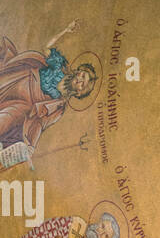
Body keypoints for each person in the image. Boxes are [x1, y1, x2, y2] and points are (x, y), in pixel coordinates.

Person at [0, 21, 95, 170]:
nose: (80, 80)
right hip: (22, 79)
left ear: (79, 92)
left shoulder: (59, 106)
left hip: (25, 103)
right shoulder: (60, 66)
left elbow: (41, 123)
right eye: (82, 75)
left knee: (4, 121)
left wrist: (30, 146)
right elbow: (47, 48)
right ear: (78, 71)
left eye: (83, 83)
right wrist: (65, 30)